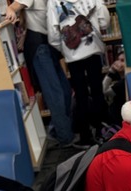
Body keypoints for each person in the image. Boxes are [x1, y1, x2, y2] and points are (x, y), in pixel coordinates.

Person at [5, 0, 79, 147]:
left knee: (64, 90)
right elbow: (15, 6)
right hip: (39, 46)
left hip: (50, 44)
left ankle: (57, 130)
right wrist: (11, 9)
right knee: (55, 93)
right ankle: (65, 137)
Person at [47, 0, 109, 146]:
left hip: (72, 55)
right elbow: (104, 21)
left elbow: (53, 34)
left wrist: (64, 50)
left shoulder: (53, 2)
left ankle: (85, 136)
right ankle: (102, 132)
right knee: (97, 91)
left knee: (80, 96)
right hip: (93, 49)